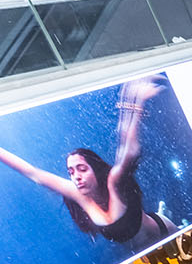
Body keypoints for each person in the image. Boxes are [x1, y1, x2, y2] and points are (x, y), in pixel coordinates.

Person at [0, 76, 175, 250]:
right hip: (146, 252)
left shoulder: (114, 182)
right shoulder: (78, 194)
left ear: (95, 170)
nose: (76, 177)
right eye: (71, 172)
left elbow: (128, 151)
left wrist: (134, 101)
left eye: (82, 169)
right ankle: (162, 210)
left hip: (163, 230)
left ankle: (163, 212)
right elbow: (33, 173)